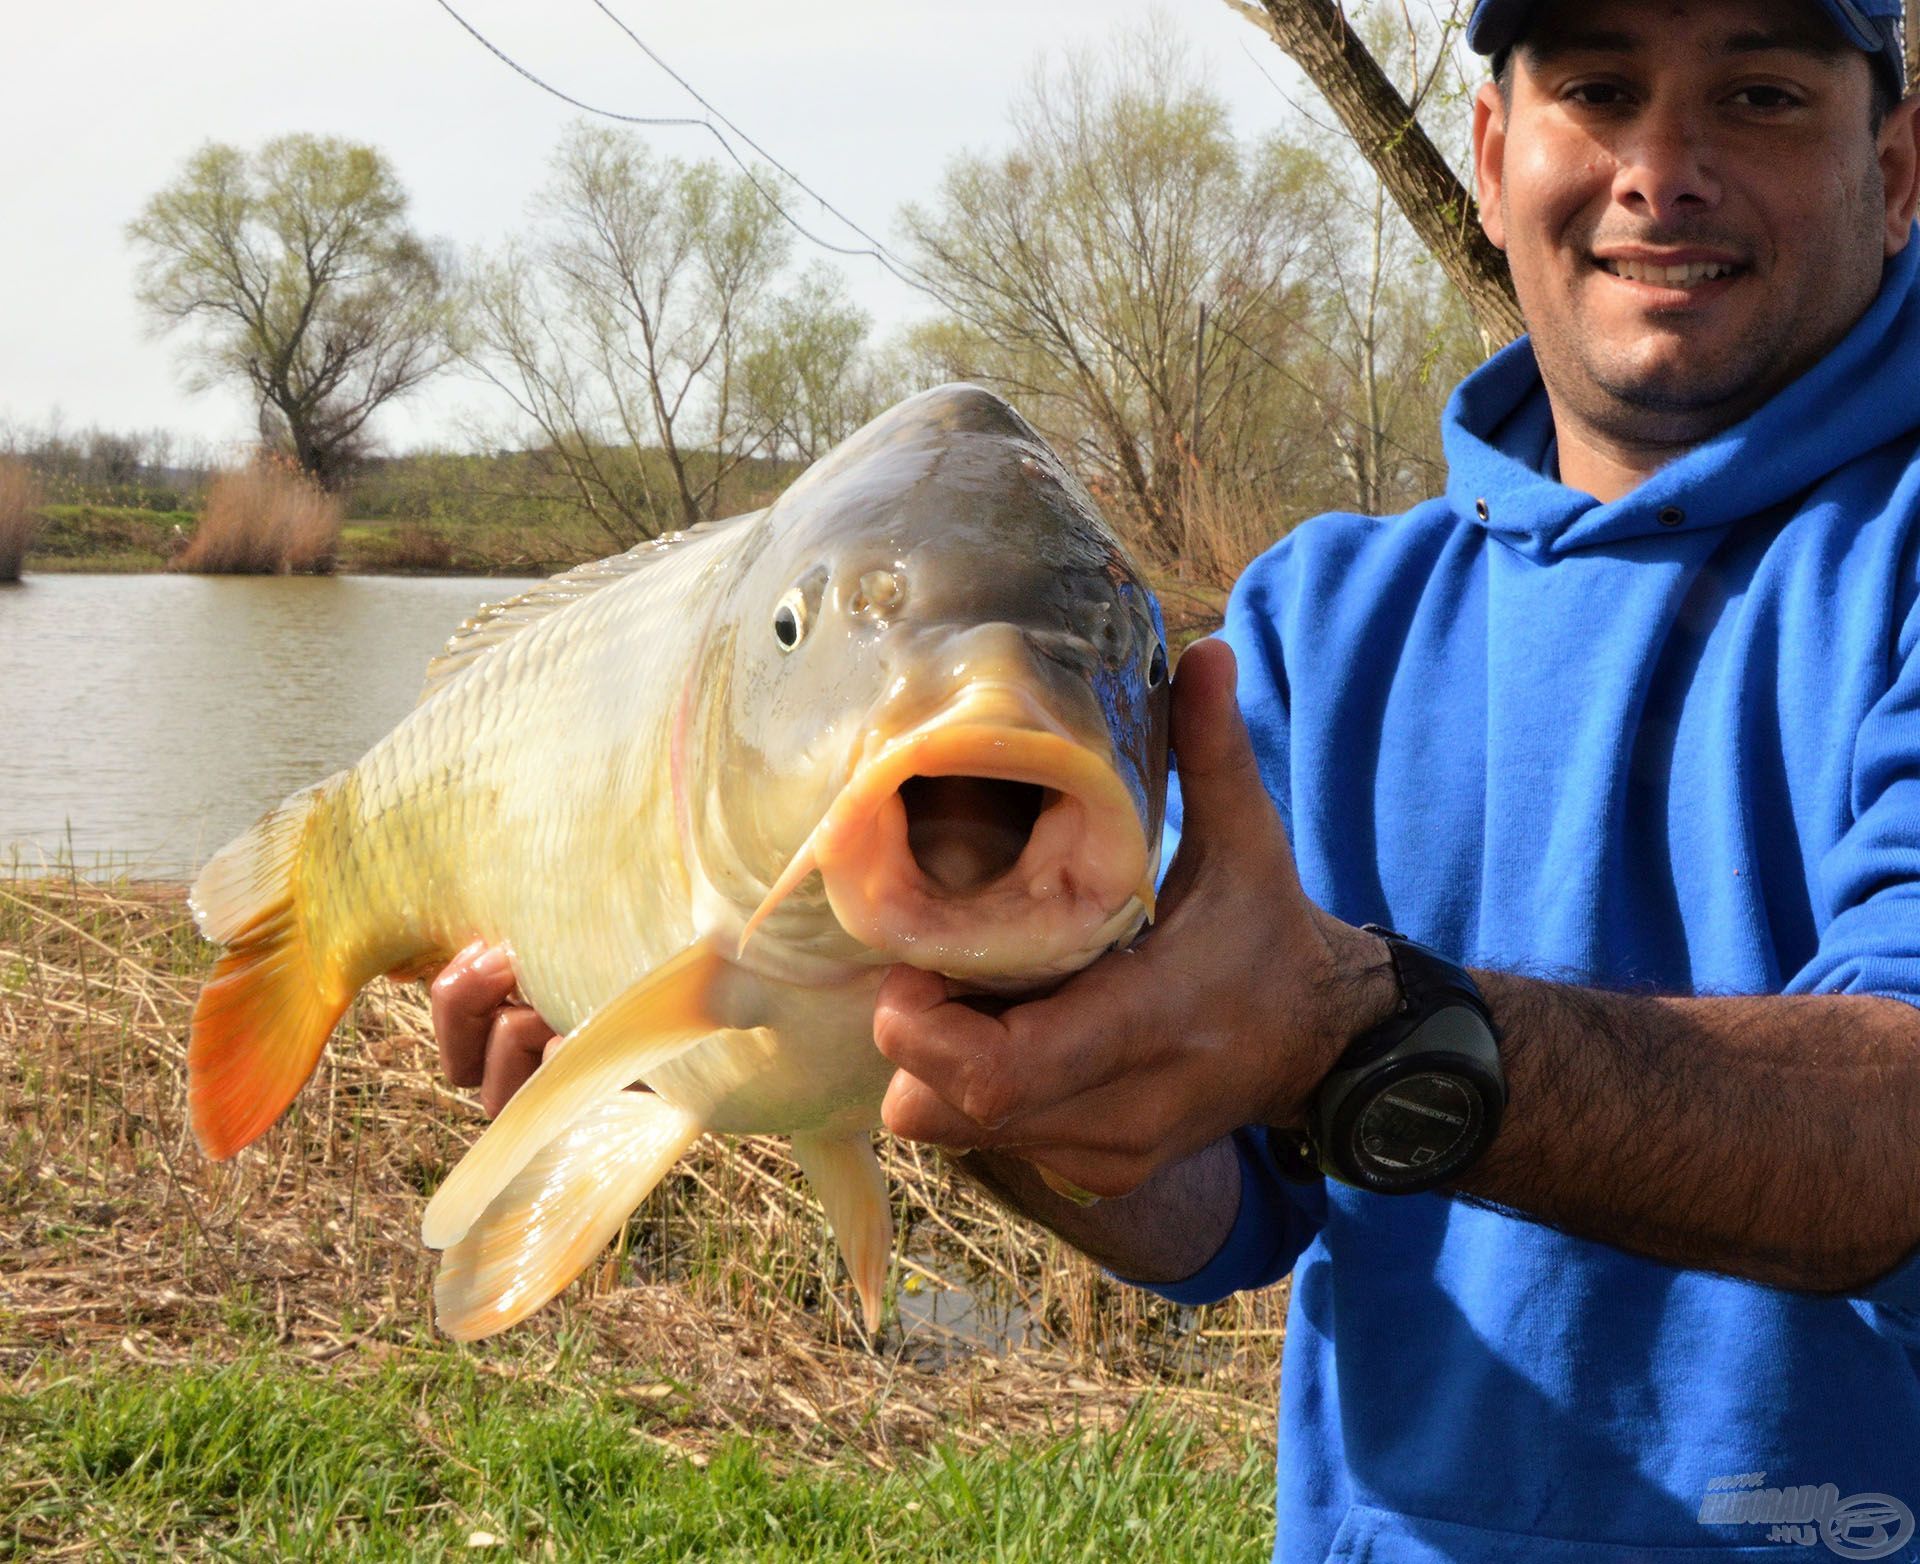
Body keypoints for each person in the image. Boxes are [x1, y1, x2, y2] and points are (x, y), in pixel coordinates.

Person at [432, 0, 1920, 1555]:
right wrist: (956, 1031)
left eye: (1757, 94)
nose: (1660, 170)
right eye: (1598, 90)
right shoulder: (1318, 624)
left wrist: (1354, 1035)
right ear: (1490, 156)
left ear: (1893, 168)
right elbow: (1213, 1206)